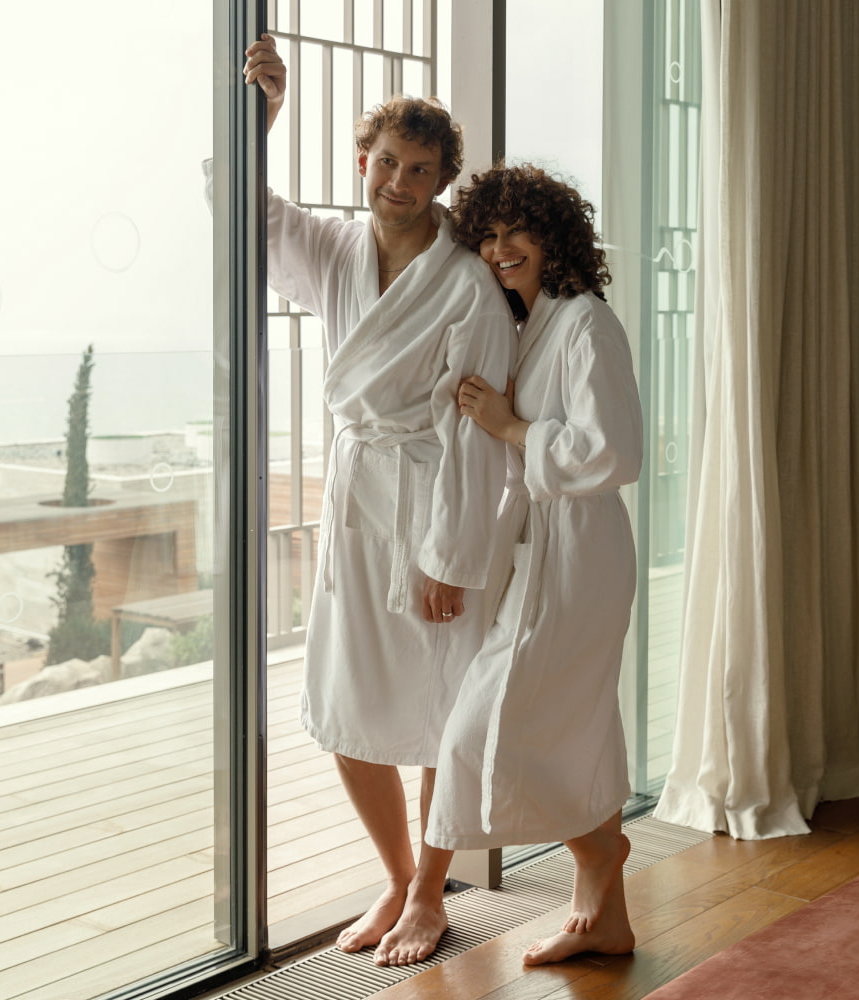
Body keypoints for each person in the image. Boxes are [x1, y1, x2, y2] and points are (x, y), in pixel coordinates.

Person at [235, 36, 515, 965]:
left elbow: (478, 432)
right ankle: (395, 876)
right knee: (347, 701)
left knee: (442, 709)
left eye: (420, 169)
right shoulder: (335, 249)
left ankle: (432, 893)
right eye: (387, 161)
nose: (399, 182)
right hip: (358, 502)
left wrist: (452, 557)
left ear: (443, 180)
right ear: (364, 159)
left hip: (432, 505)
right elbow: (245, 214)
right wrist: (263, 121)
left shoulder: (468, 283)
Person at [422, 163, 644, 965]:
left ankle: (600, 852)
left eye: (516, 230)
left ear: (553, 236)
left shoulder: (585, 324)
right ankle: (606, 918)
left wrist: (511, 426)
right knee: (581, 724)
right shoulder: (527, 325)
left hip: (580, 552)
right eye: (486, 235)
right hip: (545, 546)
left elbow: (616, 451)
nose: (500, 248)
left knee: (483, 727)